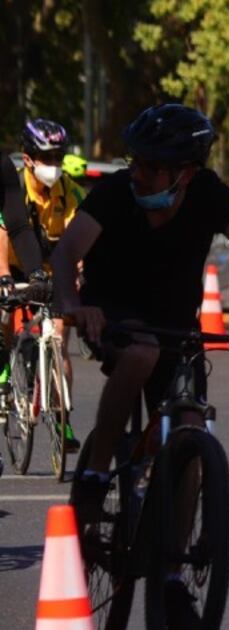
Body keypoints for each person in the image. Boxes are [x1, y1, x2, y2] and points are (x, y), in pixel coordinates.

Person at [54, 104, 229, 531]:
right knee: (140, 353)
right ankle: (97, 473)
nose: (139, 174)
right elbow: (65, 256)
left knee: (192, 431)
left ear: (185, 173)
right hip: (113, 313)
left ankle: (172, 570)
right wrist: (73, 306)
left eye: (153, 168)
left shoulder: (209, 193)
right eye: (136, 162)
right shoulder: (116, 192)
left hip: (176, 325)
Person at [3, 119, 85, 450]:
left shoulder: (71, 192)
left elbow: (81, 238)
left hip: (51, 271)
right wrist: (4, 278)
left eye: (57, 158)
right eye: (45, 158)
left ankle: (62, 415)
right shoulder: (14, 188)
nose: (53, 166)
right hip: (13, 267)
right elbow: (5, 233)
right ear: (27, 158)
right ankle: (5, 373)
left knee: (59, 339)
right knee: (5, 319)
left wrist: (80, 268)